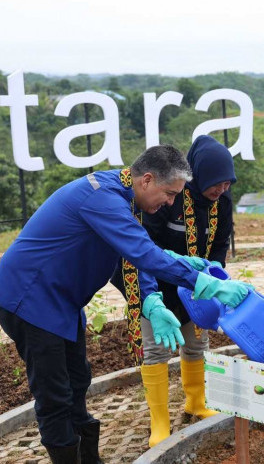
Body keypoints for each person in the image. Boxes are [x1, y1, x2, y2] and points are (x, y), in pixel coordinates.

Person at [0, 145, 251, 464]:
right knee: (55, 396)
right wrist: (202, 282)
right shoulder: (101, 198)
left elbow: (131, 256)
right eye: (170, 193)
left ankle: (89, 459)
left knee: (78, 380)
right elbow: (145, 253)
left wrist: (151, 301)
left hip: (62, 300)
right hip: (30, 299)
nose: (171, 202)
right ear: (147, 180)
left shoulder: (124, 197)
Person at [110, 136, 235, 447]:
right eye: (216, 183)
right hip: (156, 286)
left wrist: (214, 273)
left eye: (227, 183)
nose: (220, 190)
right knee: (156, 350)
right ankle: (160, 420)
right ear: (200, 174)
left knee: (196, 344)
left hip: (197, 286)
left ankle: (196, 401)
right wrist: (151, 297)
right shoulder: (170, 197)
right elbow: (143, 248)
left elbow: (220, 243)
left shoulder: (223, 203)